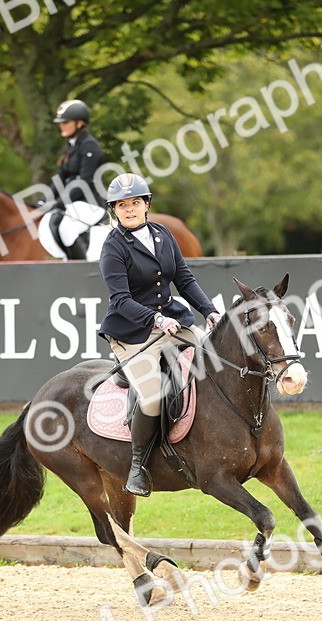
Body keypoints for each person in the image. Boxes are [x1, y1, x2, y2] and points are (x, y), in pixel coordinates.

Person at [97, 173, 220, 496]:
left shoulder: (163, 234)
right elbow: (120, 300)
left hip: (173, 323)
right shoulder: (112, 247)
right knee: (152, 396)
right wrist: (155, 318)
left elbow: (184, 279)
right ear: (114, 210)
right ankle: (138, 467)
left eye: (135, 202)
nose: (129, 209)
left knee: (217, 358)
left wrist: (209, 311)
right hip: (133, 333)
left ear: (146, 205)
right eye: (122, 205)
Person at [51, 99, 107, 259]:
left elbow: (85, 182)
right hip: (75, 202)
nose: (62, 126)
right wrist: (44, 200)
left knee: (66, 227)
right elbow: (60, 178)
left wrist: (61, 201)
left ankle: (81, 266)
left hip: (91, 202)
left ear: (80, 123)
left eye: (66, 122)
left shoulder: (90, 146)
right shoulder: (70, 146)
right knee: (52, 221)